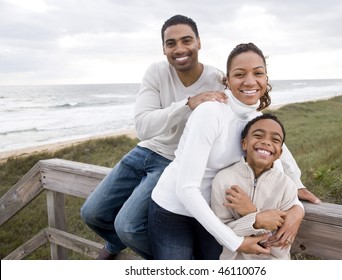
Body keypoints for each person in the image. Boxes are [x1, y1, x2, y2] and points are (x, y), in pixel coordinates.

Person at [80, 14, 228, 260]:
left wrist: (292, 179)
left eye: (186, 40)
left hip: (173, 161)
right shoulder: (157, 72)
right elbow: (143, 127)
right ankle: (118, 244)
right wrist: (188, 104)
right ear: (163, 48)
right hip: (144, 150)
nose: (179, 49)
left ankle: (175, 262)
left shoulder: (217, 80)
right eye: (171, 43)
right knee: (91, 213)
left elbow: (249, 119)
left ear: (199, 43)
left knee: (127, 226)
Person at [148, 43, 305, 260]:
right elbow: (186, 189)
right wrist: (236, 241)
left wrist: (297, 209)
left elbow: (275, 174)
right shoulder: (210, 113)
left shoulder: (256, 122)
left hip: (217, 215)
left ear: (266, 79)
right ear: (227, 81)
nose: (250, 81)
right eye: (240, 74)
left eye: (258, 73)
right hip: (175, 211)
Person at [211, 113, 300, 260]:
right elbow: (221, 233)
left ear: (280, 153)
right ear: (244, 143)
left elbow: (280, 242)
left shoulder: (287, 186)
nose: (266, 142)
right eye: (258, 136)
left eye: (275, 139)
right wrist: (257, 220)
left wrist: (251, 213)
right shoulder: (223, 180)